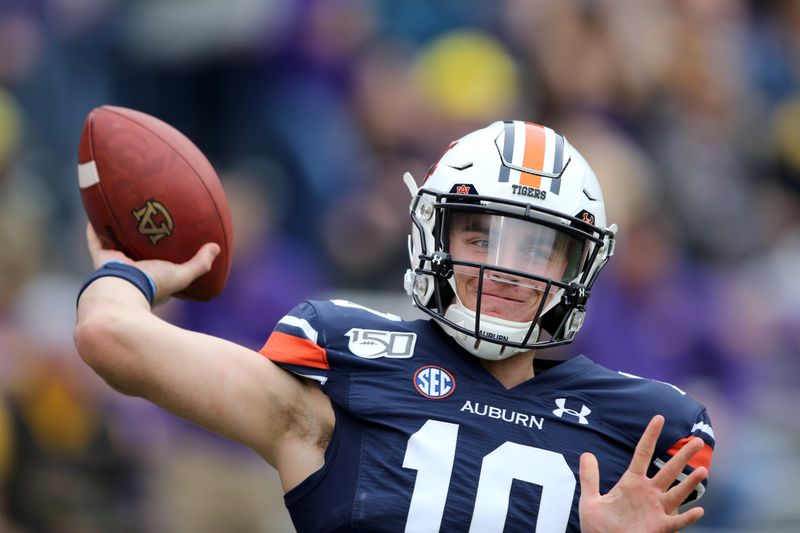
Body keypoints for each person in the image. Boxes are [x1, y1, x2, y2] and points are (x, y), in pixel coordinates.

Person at [74, 120, 714, 532]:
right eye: (482, 235)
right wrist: (134, 271)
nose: (509, 269)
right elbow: (112, 338)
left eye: (537, 247)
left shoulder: (637, 434)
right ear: (435, 233)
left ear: (579, 264)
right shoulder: (342, 383)